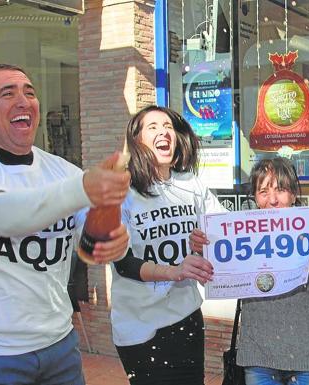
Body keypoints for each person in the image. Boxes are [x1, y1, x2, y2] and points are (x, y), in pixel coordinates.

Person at [0, 64, 131, 385]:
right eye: (7, 93)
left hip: (59, 344)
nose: (24, 100)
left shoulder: (63, 171)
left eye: (29, 92)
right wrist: (83, 188)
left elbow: (94, 242)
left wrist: (112, 231)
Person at [190, 157, 309, 385]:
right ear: (254, 197)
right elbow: (214, 282)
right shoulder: (241, 235)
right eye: (263, 191)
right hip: (258, 359)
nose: (272, 200)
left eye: (281, 190)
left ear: (293, 194)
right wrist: (204, 251)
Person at [110, 105, 225, 385]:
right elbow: (123, 263)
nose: (164, 132)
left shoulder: (193, 185)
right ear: (136, 140)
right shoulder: (121, 191)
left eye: (168, 126)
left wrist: (203, 244)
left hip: (186, 317)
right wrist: (175, 271)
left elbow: (224, 233)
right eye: (153, 127)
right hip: (141, 327)